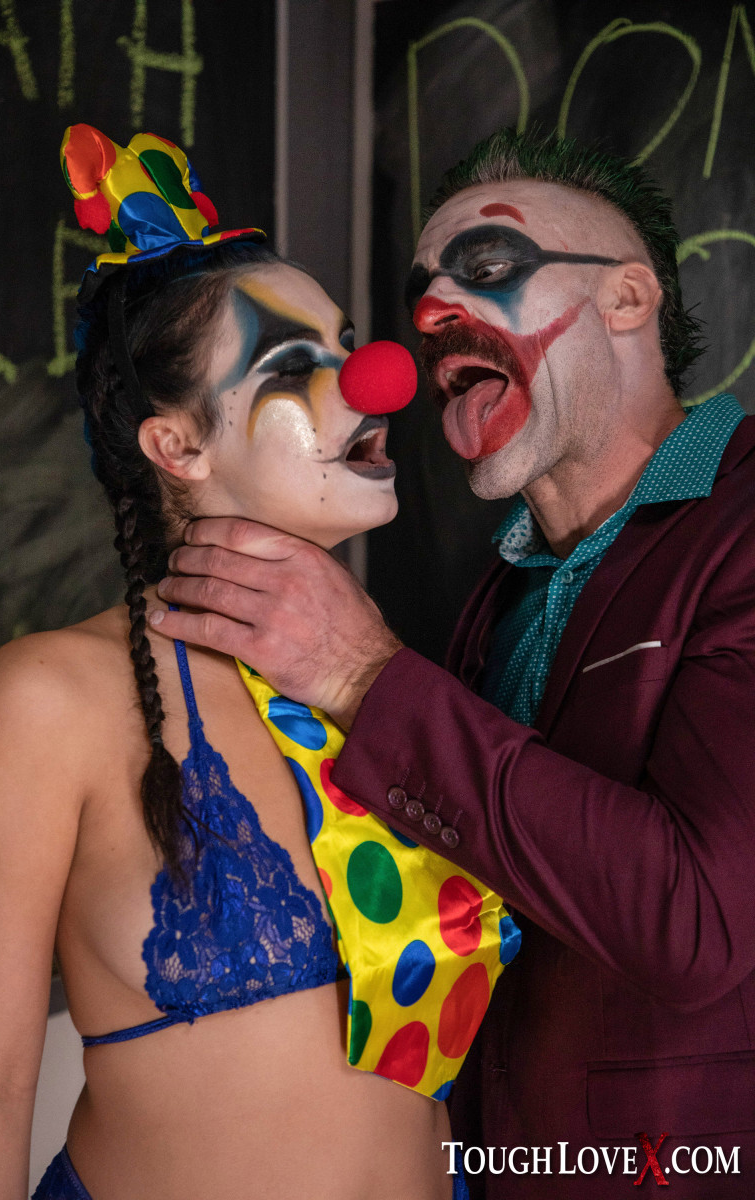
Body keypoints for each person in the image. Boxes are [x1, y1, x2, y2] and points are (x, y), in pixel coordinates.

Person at [149, 127, 755, 1198]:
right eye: (421, 287)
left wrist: (362, 676)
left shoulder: (742, 523)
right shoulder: (499, 593)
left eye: (487, 265)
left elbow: (694, 922)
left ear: (626, 297)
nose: (427, 317)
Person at [0, 125, 486, 1200]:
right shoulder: (48, 698)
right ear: (177, 447)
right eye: (296, 366)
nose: (371, 379)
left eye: (344, 343)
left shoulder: (385, 677)